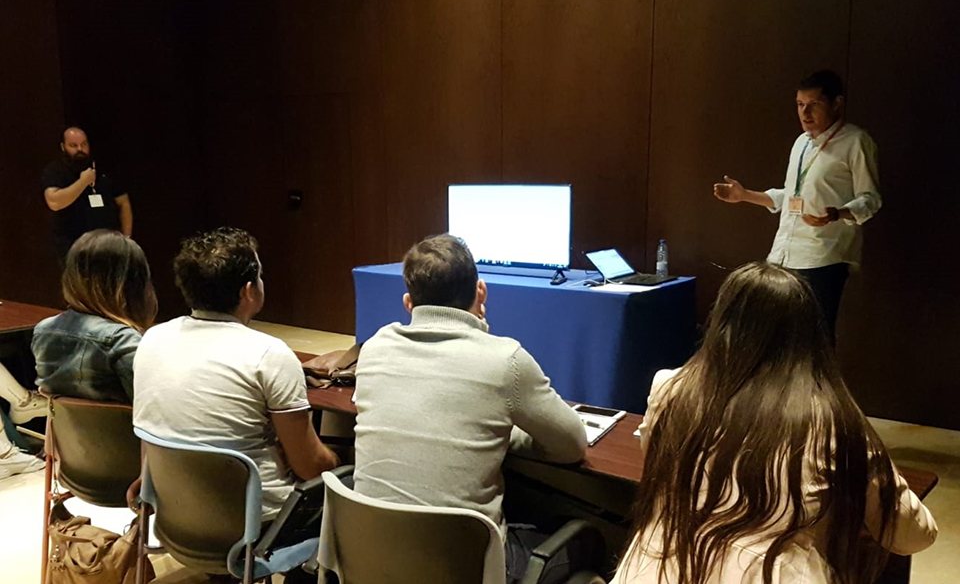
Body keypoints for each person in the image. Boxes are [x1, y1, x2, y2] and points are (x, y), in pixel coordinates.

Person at [613, 262, 937, 584]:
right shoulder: (833, 419)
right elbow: (913, 535)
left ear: (721, 323)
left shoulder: (671, 386)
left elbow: (654, 462)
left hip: (653, 568)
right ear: (809, 336)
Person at [352, 233, 588, 582]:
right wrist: (505, 436)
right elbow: (572, 445)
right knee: (586, 543)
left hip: (370, 559)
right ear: (481, 292)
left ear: (408, 303)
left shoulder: (373, 348)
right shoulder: (505, 359)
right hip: (466, 569)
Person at [132, 227, 339, 531]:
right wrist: (341, 463)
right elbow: (310, 467)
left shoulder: (151, 339)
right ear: (248, 291)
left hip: (174, 513)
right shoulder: (269, 354)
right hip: (257, 522)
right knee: (345, 480)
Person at [713, 70, 881, 342]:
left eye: (814, 104)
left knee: (814, 341)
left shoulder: (855, 141)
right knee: (775, 338)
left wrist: (837, 213)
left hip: (823, 258)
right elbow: (790, 196)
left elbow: (870, 199)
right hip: (783, 254)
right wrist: (744, 195)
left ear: (837, 103)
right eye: (800, 104)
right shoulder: (801, 143)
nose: (805, 112)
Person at [32, 230, 156, 403]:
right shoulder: (122, 340)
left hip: (65, 431)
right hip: (119, 430)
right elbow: (153, 409)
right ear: (134, 284)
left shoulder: (43, 330)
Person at [41, 127, 133, 263]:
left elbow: (124, 203)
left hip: (109, 246)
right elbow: (55, 203)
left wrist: (126, 239)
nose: (80, 149)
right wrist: (83, 182)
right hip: (74, 248)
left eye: (84, 144)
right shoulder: (55, 171)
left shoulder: (103, 168)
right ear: (63, 147)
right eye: (73, 145)